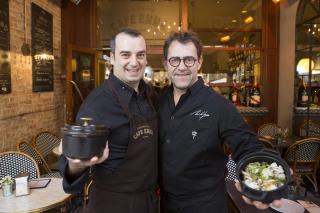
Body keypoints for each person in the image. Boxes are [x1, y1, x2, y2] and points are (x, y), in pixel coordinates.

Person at [158, 31, 282, 212]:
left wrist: (261, 178)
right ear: (165, 64)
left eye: (189, 60)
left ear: (199, 62)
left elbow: (246, 144)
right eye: (175, 60)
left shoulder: (218, 105)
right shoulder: (159, 101)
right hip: (166, 203)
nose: (182, 66)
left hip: (205, 204)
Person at [59, 28, 158, 213]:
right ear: (112, 58)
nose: (134, 62)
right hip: (113, 204)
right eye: (125, 55)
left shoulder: (150, 95)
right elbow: (70, 178)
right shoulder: (96, 104)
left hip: (149, 202)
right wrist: (76, 165)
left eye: (140, 55)